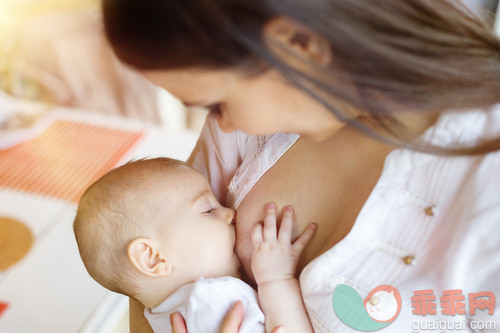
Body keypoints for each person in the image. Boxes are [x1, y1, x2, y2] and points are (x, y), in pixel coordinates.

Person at [101, 0, 500, 332]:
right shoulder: (254, 121)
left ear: (299, 48)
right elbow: (143, 272)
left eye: (216, 103)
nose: (221, 124)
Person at [73, 158, 315, 333]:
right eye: (208, 210)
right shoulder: (211, 302)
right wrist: (277, 278)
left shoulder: (161, 316)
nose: (229, 213)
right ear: (153, 258)